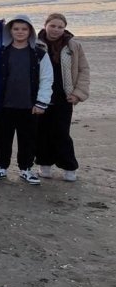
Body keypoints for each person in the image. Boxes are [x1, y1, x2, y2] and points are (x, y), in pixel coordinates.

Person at [0, 15, 52, 185]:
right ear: (10, 31)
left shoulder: (39, 54)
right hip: (4, 105)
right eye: (16, 29)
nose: (20, 32)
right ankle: (0, 167)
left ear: (30, 31)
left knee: (28, 139)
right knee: (2, 138)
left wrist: (41, 102)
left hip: (29, 106)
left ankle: (26, 169)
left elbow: (46, 78)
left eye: (24, 29)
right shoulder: (0, 52)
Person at [36, 13, 90, 182]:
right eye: (52, 26)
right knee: (41, 131)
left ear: (64, 28)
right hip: (41, 95)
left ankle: (69, 167)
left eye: (60, 27)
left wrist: (78, 94)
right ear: (45, 25)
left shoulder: (73, 46)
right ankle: (44, 165)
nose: (56, 30)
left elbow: (83, 70)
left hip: (64, 96)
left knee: (61, 132)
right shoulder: (35, 44)